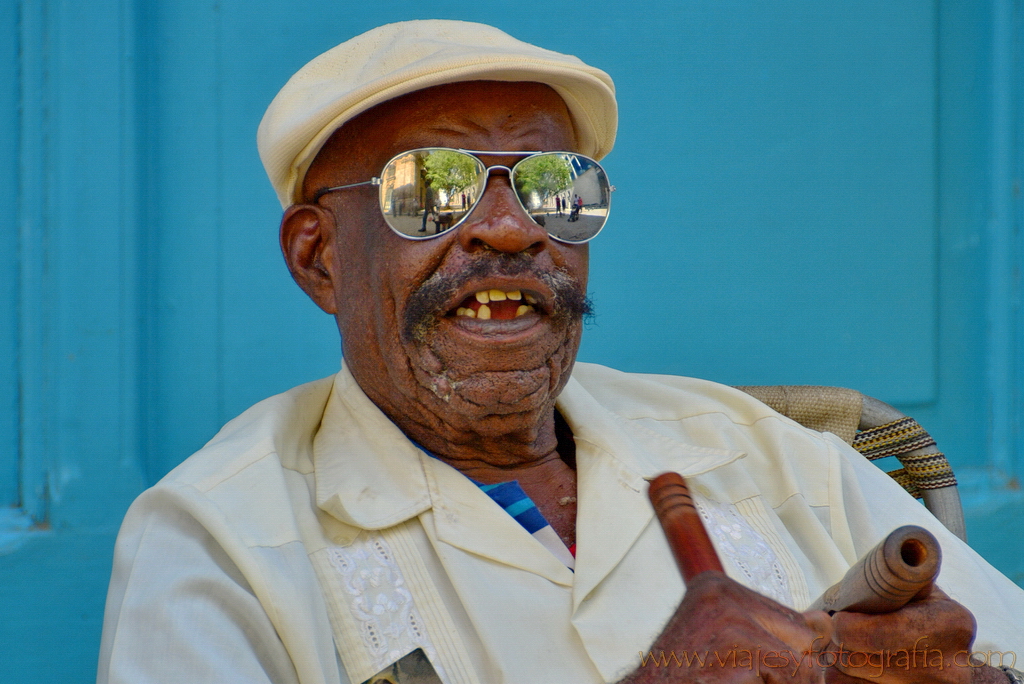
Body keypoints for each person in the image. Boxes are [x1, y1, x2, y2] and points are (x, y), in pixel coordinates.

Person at [97, 20, 1024, 684]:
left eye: (554, 189)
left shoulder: (755, 447)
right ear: (318, 256)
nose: (509, 229)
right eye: (433, 191)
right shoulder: (217, 541)